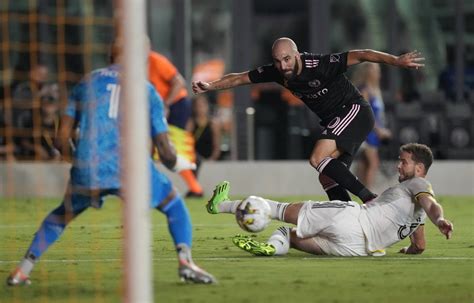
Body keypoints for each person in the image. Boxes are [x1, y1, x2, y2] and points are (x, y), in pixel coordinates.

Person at [6, 42, 216, 286]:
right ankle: (186, 263)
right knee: (173, 205)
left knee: (61, 215)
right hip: (131, 167)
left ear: (108, 57)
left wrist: (81, 163)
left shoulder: (86, 82)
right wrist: (175, 164)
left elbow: (60, 140)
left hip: (88, 167)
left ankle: (22, 271)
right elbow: (164, 148)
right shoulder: (146, 90)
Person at [193, 37, 425, 203]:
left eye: (286, 59)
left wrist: (395, 61)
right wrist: (211, 86)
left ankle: (370, 200)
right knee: (327, 175)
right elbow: (240, 78)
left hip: (354, 111)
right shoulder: (277, 71)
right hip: (338, 120)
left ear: (296, 54)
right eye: (277, 61)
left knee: (317, 158)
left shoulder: (321, 64)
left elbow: (362, 54)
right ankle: (345, 215)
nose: (283, 66)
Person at [206, 143, 453, 257]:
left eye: (404, 162)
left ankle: (221, 205)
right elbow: (419, 246)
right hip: (355, 250)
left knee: (280, 210)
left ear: (419, 169)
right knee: (289, 235)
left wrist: (440, 217)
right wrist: (406, 249)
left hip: (352, 219)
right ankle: (272, 248)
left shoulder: (419, 185)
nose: (399, 165)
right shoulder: (417, 215)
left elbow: (433, 205)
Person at [148, 50, 204, 198]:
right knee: (155, 146)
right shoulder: (130, 67)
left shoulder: (156, 61)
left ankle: (196, 188)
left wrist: (166, 105)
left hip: (175, 105)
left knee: (173, 145)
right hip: (157, 106)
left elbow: (179, 82)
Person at [351, 62, 392, 189]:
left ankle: (362, 194)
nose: (379, 74)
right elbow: (365, 114)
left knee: (365, 163)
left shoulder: (375, 90)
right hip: (368, 133)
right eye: (376, 71)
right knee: (374, 162)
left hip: (374, 132)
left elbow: (379, 115)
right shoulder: (364, 90)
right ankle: (368, 195)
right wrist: (379, 130)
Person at [186, 94, 221, 177]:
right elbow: (187, 143)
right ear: (194, 108)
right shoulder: (190, 124)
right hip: (194, 159)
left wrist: (212, 159)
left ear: (207, 106)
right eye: (198, 106)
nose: (200, 108)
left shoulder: (213, 124)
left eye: (202, 105)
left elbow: (217, 145)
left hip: (209, 158)